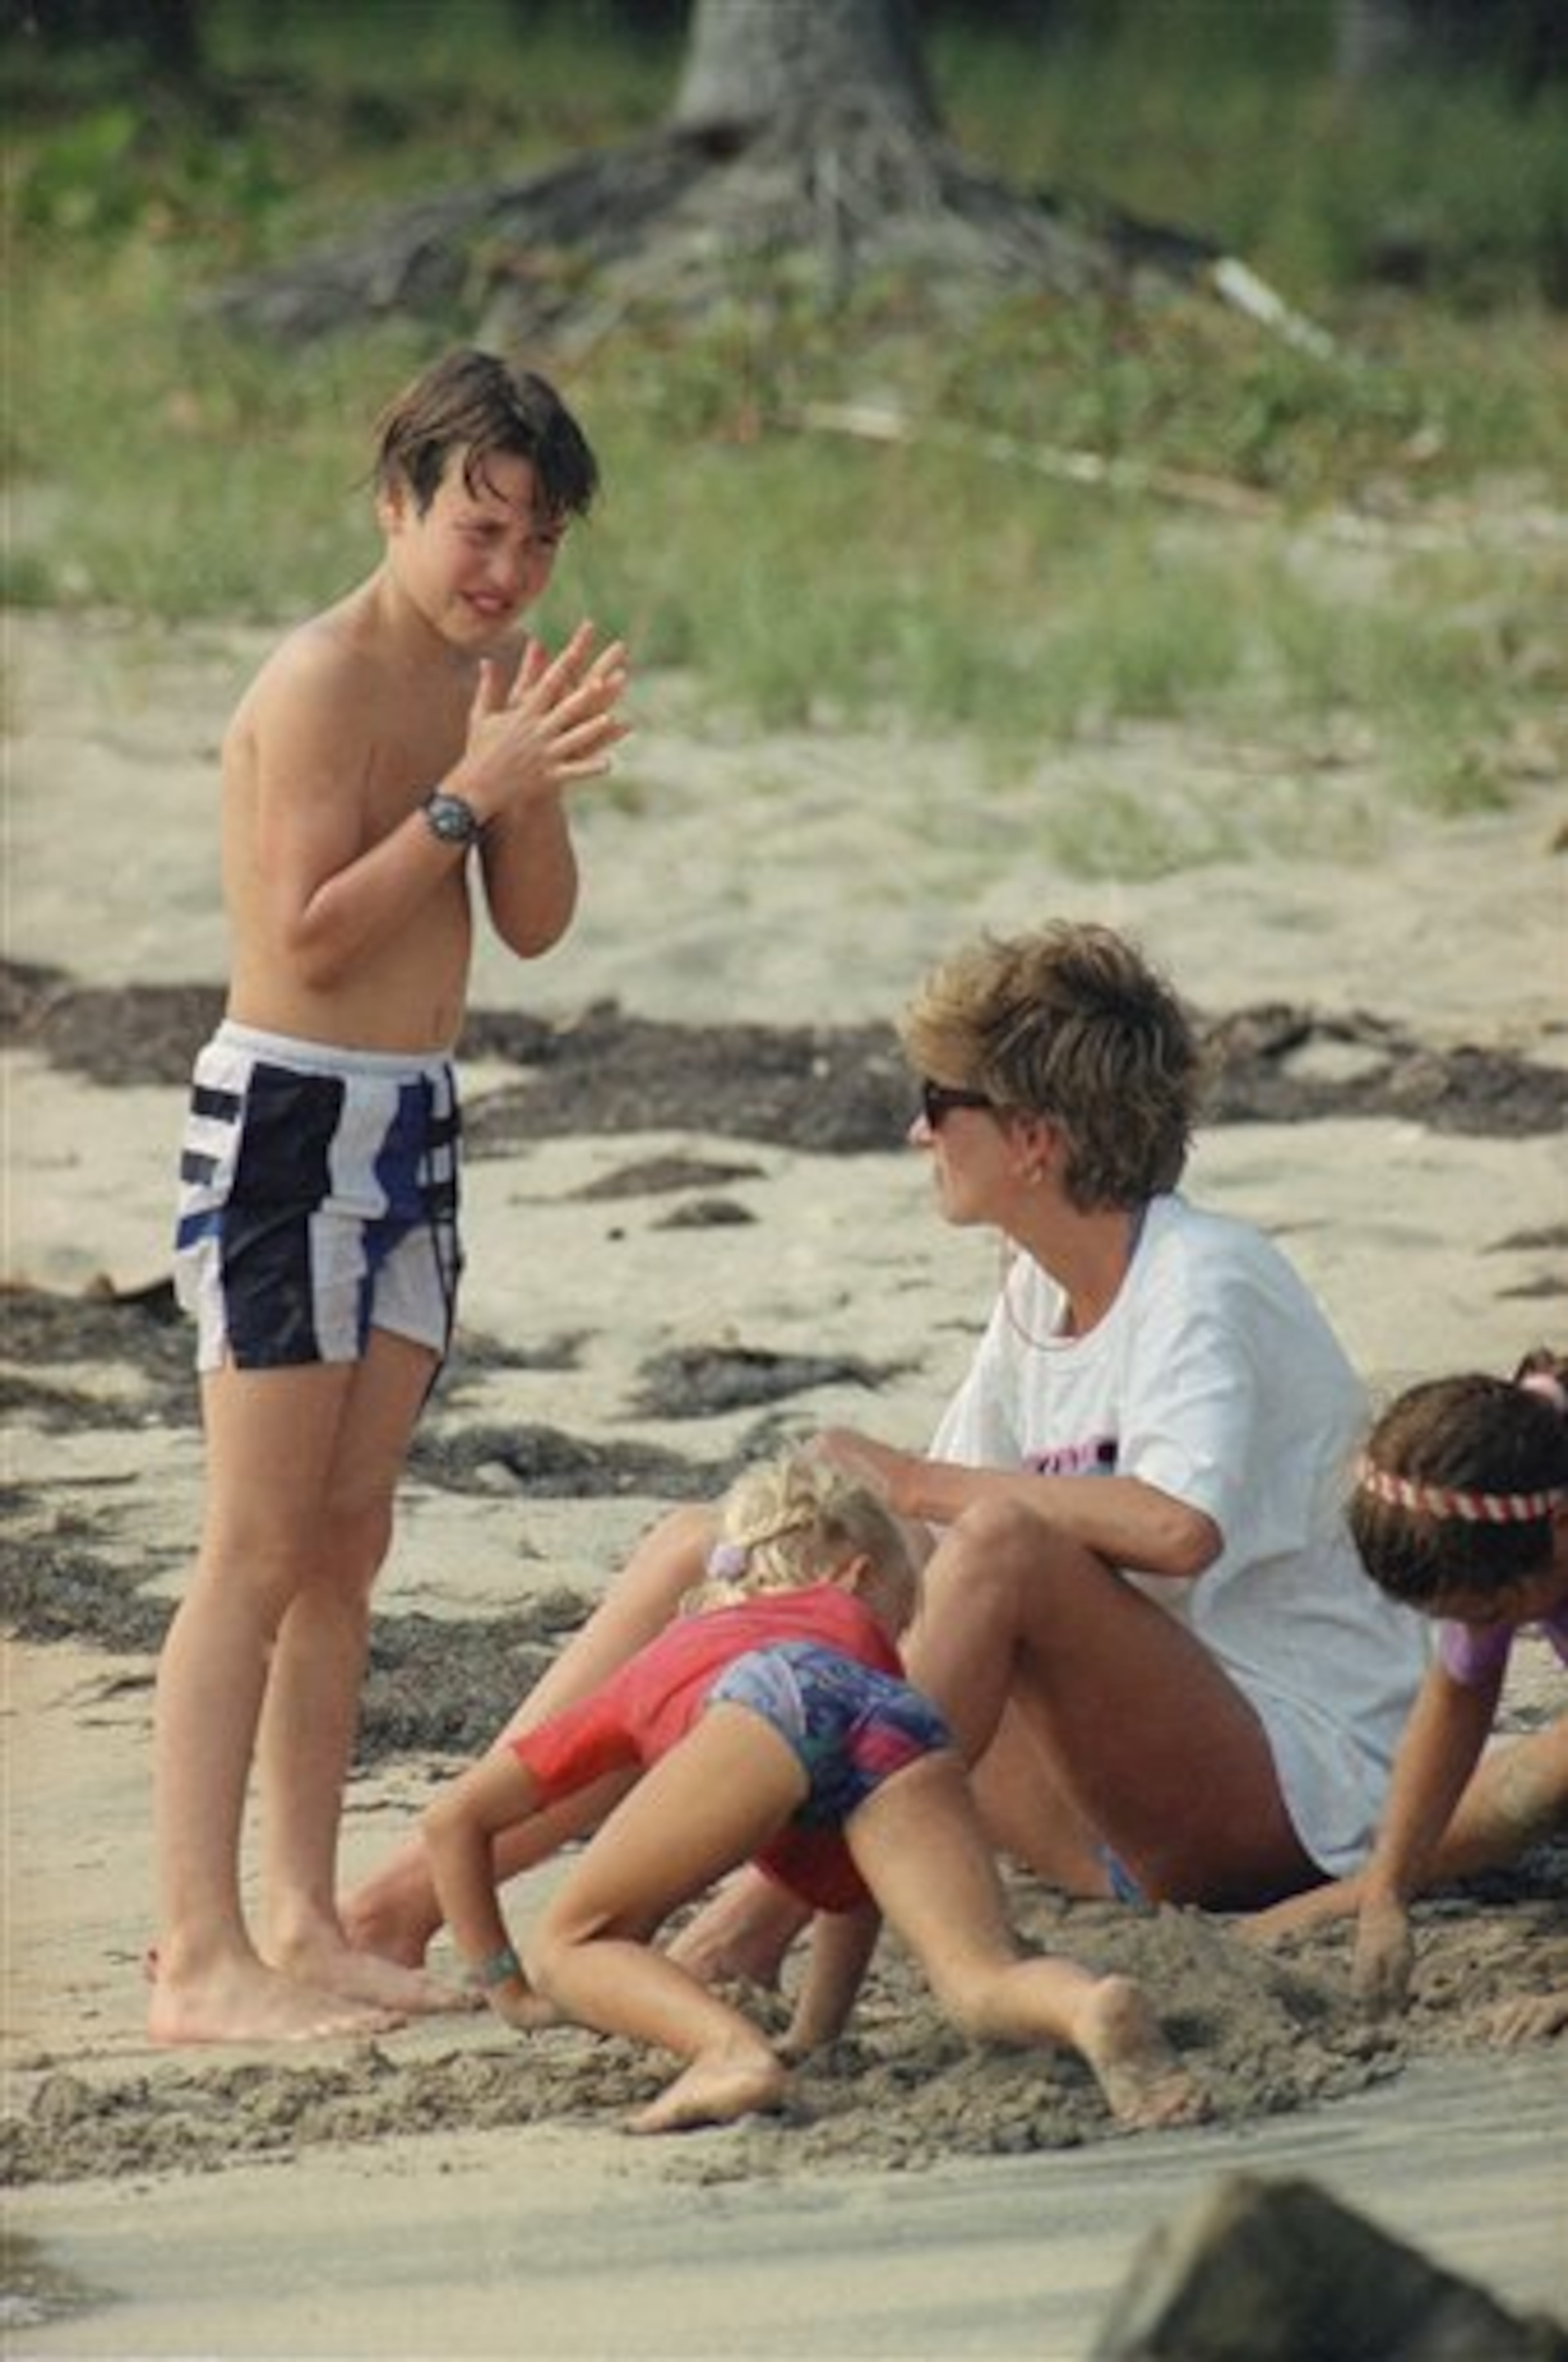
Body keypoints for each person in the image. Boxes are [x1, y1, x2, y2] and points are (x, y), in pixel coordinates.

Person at [345, 919, 1425, 1982]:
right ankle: (407, 1901)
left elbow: (1176, 1529)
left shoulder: (1204, 1278)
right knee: (712, 1548)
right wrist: (802, 1534)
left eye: (939, 1106)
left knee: (1001, 1544)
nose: (919, 1135)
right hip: (1092, 1813)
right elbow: (919, 1541)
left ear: (1036, 1139)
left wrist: (912, 1480)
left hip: (1281, 1800)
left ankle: (759, 1922)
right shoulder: (1037, 1288)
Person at [148, 348, 631, 2046]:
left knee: (349, 1547)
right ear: (398, 505)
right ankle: (198, 1955)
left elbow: (538, 926)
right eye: (477, 529)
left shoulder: (482, 688)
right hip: (288, 1126)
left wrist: (528, 785)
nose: (502, 572)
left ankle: (300, 1914)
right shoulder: (322, 679)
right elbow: (308, 935)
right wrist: (461, 796)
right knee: (257, 1545)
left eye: (535, 544)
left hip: (415, 1129)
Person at [421, 1449, 1207, 2135]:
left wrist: (510, 1988)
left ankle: (728, 2054)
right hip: (910, 1728)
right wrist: (815, 2035)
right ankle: (1086, 2009)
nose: (899, 1633)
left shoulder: (685, 1650)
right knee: (977, 1979)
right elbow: (854, 1889)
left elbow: (456, 1819)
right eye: (903, 1617)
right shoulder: (872, 1666)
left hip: (766, 1698)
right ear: (856, 1576)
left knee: (573, 1940)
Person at [1248, 1354, 1568, 2044]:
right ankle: (1355, 1890)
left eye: (1489, 1614)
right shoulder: (1527, 1461)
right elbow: (1460, 1688)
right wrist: (1388, 1893)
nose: (1479, 1632)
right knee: (1528, 1783)